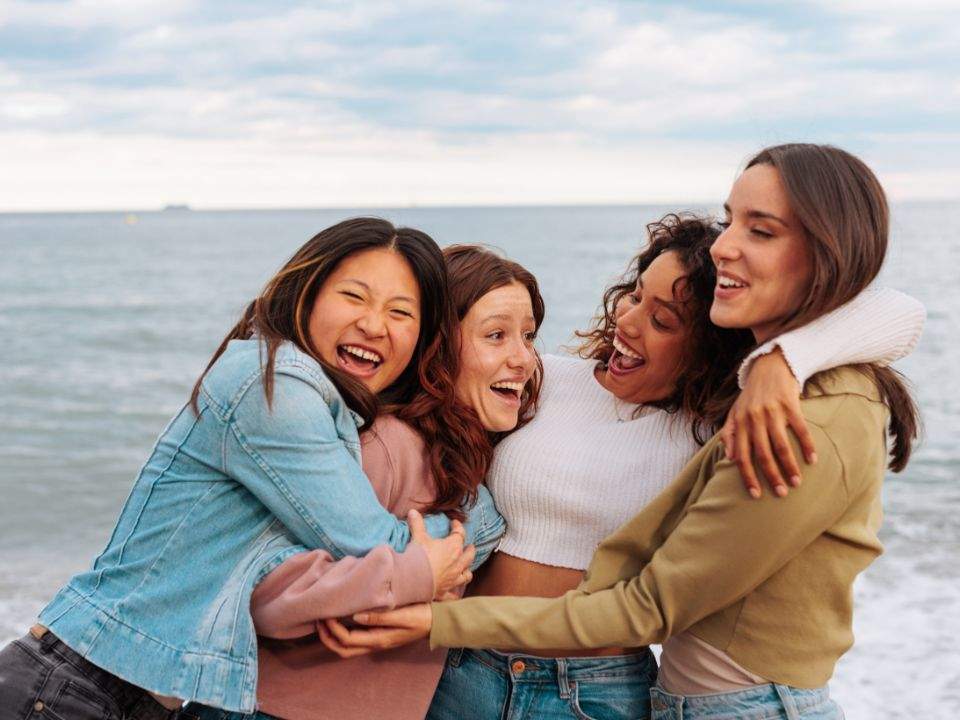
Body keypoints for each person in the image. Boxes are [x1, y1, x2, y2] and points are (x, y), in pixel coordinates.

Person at [322, 147, 924, 720]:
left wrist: (781, 361)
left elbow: (898, 312)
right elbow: (426, 372)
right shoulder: (543, 379)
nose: (627, 321)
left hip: (597, 691)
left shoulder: (735, 426)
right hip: (461, 668)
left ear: (708, 342)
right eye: (634, 296)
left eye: (662, 319)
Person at [0, 218, 502, 719]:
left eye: (400, 312)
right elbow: (373, 546)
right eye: (354, 296)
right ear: (306, 294)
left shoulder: (332, 413)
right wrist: (476, 522)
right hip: (72, 688)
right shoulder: (274, 385)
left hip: (122, 695)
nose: (374, 325)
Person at [180, 245, 543, 720]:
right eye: (496, 335)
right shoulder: (386, 445)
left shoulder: (456, 457)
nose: (524, 359)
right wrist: (409, 590)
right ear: (435, 347)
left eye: (529, 336)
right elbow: (263, 595)